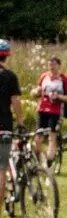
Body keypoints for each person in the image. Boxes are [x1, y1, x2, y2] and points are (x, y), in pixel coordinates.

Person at [33, 55, 67, 163]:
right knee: (38, 138)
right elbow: (38, 89)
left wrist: (59, 97)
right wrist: (35, 92)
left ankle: (49, 160)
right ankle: (38, 157)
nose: (52, 67)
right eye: (50, 64)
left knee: (52, 136)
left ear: (59, 66)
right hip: (42, 110)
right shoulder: (44, 77)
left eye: (54, 64)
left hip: (55, 111)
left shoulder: (64, 80)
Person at [0, 40, 24, 206]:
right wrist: (20, 121)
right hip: (4, 125)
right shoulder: (10, 76)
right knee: (1, 168)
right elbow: (15, 101)